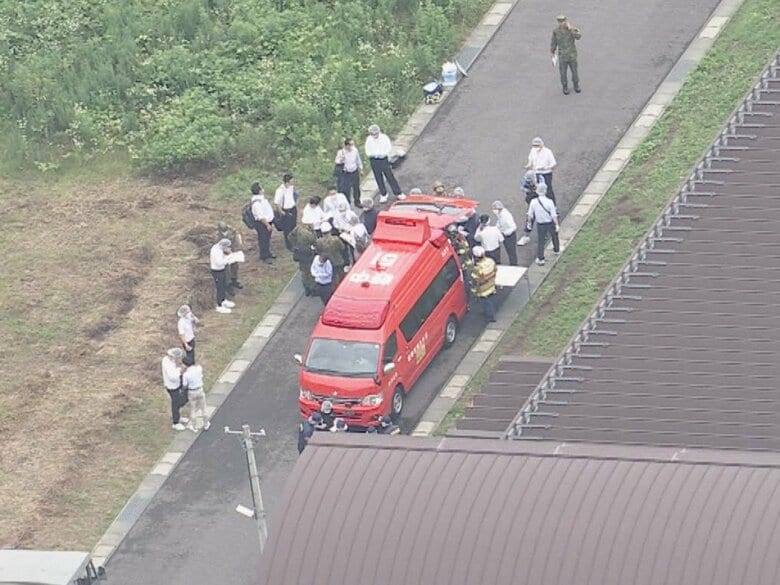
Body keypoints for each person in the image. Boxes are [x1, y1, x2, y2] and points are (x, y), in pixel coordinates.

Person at [365, 124, 404, 204]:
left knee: (389, 175)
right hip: (374, 160)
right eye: (373, 134)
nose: (375, 135)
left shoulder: (384, 138)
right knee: (378, 177)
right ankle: (383, 194)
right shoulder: (369, 139)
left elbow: (388, 147)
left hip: (383, 159)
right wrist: (373, 154)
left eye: (376, 133)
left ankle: (398, 192)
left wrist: (382, 154)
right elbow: (367, 150)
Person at [527, 183, 560, 266]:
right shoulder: (549, 202)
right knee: (554, 236)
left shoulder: (533, 202)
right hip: (549, 222)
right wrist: (557, 224)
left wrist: (529, 224)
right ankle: (556, 250)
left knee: (541, 240)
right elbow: (553, 215)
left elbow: (530, 214)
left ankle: (541, 258)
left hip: (540, 224)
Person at [551, 14, 582, 95]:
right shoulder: (556, 32)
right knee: (563, 73)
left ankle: (576, 85)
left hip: (572, 55)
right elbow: (554, 42)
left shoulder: (571, 29)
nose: (562, 23)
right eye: (560, 22)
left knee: (574, 72)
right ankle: (565, 87)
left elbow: (578, 36)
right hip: (562, 56)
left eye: (563, 21)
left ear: (566, 21)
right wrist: (552, 51)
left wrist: (571, 28)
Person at [287, 223, 318, 296]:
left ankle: (306, 288)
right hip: (308, 254)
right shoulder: (309, 234)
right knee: (310, 272)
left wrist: (295, 245)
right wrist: (313, 232)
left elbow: (290, 236)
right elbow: (314, 241)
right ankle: (312, 289)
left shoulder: (298, 228)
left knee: (304, 272)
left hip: (300, 253)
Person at [525, 137, 557, 202]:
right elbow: (531, 159)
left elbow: (553, 164)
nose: (536, 147)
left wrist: (545, 167)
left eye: (537, 146)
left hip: (546, 173)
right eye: (534, 146)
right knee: (536, 189)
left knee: (548, 190)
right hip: (536, 173)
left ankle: (553, 205)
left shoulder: (548, 152)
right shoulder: (533, 150)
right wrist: (528, 165)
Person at [471, 246, 497, 323]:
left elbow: (476, 280)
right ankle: (490, 312)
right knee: (490, 300)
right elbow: (495, 270)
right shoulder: (490, 261)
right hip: (492, 285)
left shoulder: (477, 268)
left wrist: (474, 289)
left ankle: (490, 317)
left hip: (483, 289)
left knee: (486, 303)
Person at [316, 221, 348, 286]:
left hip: (327, 262)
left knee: (331, 278)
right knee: (341, 276)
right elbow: (342, 247)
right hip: (338, 260)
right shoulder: (336, 239)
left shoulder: (319, 241)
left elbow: (318, 251)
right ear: (330, 230)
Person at [162, 347, 186, 430]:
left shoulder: (169, 361)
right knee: (176, 404)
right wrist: (180, 371)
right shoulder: (168, 363)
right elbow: (172, 377)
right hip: (172, 387)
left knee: (180, 400)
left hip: (176, 385)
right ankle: (175, 422)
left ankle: (178, 417)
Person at [210, 238, 237, 314]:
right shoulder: (216, 251)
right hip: (217, 271)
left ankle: (223, 300)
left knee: (224, 285)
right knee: (220, 287)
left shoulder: (220, 249)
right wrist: (228, 258)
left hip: (222, 270)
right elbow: (219, 262)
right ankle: (219, 305)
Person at [334, 138, 363, 206]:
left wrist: (361, 169)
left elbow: (358, 160)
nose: (352, 146)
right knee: (346, 189)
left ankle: (357, 201)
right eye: (350, 145)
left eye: (353, 144)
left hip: (354, 171)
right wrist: (341, 159)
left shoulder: (355, 150)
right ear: (346, 145)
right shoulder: (341, 152)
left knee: (356, 187)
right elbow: (337, 161)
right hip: (346, 173)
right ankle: (347, 203)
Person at [250, 182, 275, 264]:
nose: (263, 189)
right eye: (262, 188)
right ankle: (264, 256)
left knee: (267, 238)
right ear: (259, 191)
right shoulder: (256, 203)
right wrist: (267, 225)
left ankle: (268, 253)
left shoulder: (261, 199)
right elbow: (260, 216)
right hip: (262, 224)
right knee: (263, 239)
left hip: (267, 222)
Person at [182, 363, 209, 432]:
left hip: (192, 392)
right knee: (204, 408)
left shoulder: (186, 375)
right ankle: (206, 424)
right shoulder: (199, 368)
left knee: (193, 409)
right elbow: (201, 376)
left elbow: (184, 386)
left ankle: (194, 426)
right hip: (200, 390)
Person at [274, 173, 298, 249]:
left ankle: (294, 242)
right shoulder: (280, 190)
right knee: (287, 229)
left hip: (293, 208)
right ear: (287, 182)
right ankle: (289, 245)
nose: (293, 182)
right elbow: (277, 203)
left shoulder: (291, 187)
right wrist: (281, 212)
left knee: (293, 226)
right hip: (285, 210)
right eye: (291, 181)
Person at [218, 221, 243, 291]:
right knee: (227, 270)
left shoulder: (230, 233)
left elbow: (236, 234)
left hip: (231, 252)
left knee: (235, 266)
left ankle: (234, 280)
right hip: (223, 255)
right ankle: (228, 285)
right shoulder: (218, 237)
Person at [492, 201, 518, 266]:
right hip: (504, 233)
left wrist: (506, 233)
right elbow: (499, 221)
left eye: (495, 209)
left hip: (509, 236)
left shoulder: (506, 216)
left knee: (511, 251)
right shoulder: (500, 214)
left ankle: (514, 264)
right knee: (508, 250)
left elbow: (513, 227)